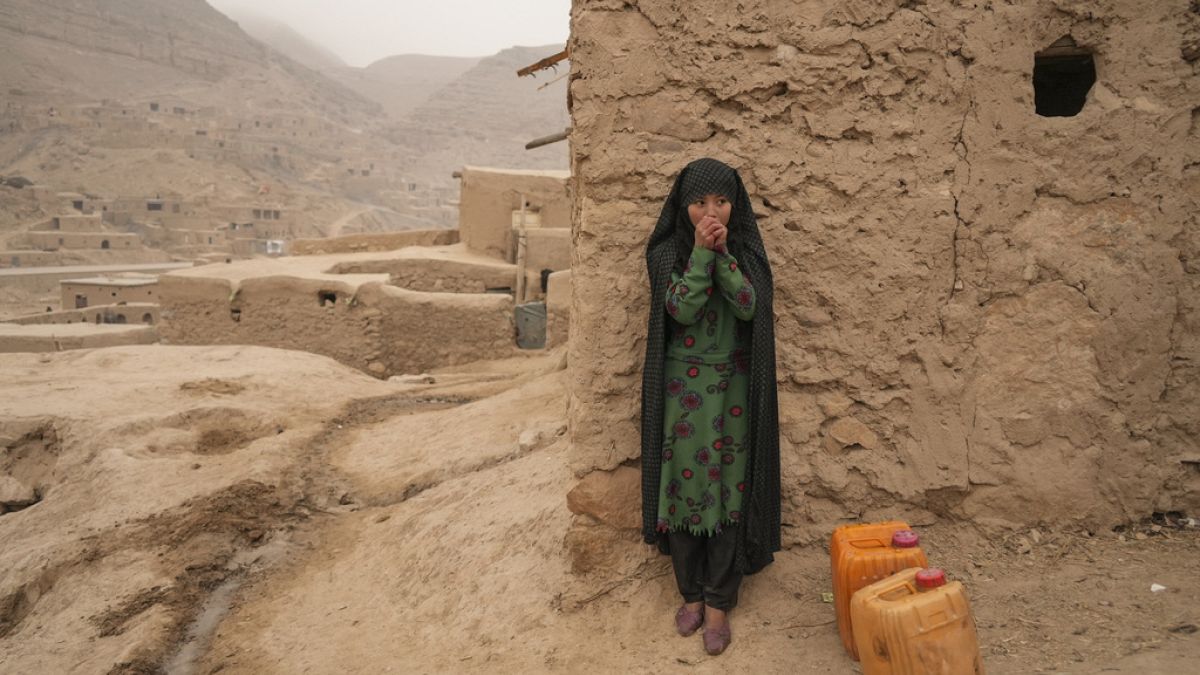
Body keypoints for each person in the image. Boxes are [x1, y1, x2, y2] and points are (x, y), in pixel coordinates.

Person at [641, 157, 781, 656]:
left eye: (721, 201)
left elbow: (748, 306)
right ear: (683, 208)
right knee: (682, 492)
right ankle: (691, 595)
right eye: (699, 203)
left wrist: (723, 257)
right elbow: (681, 309)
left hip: (732, 391)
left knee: (727, 493)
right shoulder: (666, 254)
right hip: (683, 392)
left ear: (735, 204)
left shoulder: (745, 252)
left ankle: (719, 603)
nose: (711, 212)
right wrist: (701, 255)